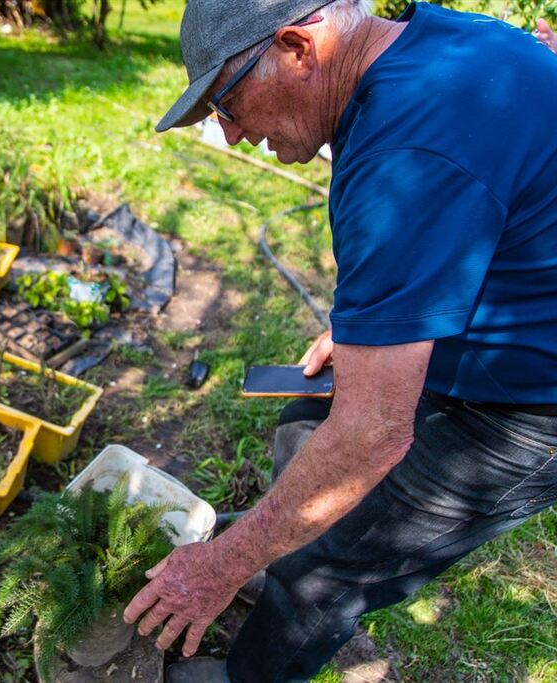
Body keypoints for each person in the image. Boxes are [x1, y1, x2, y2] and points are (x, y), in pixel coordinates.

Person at [122, 1, 557, 681]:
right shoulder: (438, 43)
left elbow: (372, 434)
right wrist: (377, 325)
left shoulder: (406, 153)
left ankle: (258, 659)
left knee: (325, 564)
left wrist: (218, 565)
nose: (231, 136)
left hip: (530, 403)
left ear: (299, 47)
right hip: (489, 321)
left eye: (228, 103)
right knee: (303, 424)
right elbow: (461, 212)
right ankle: (280, 558)